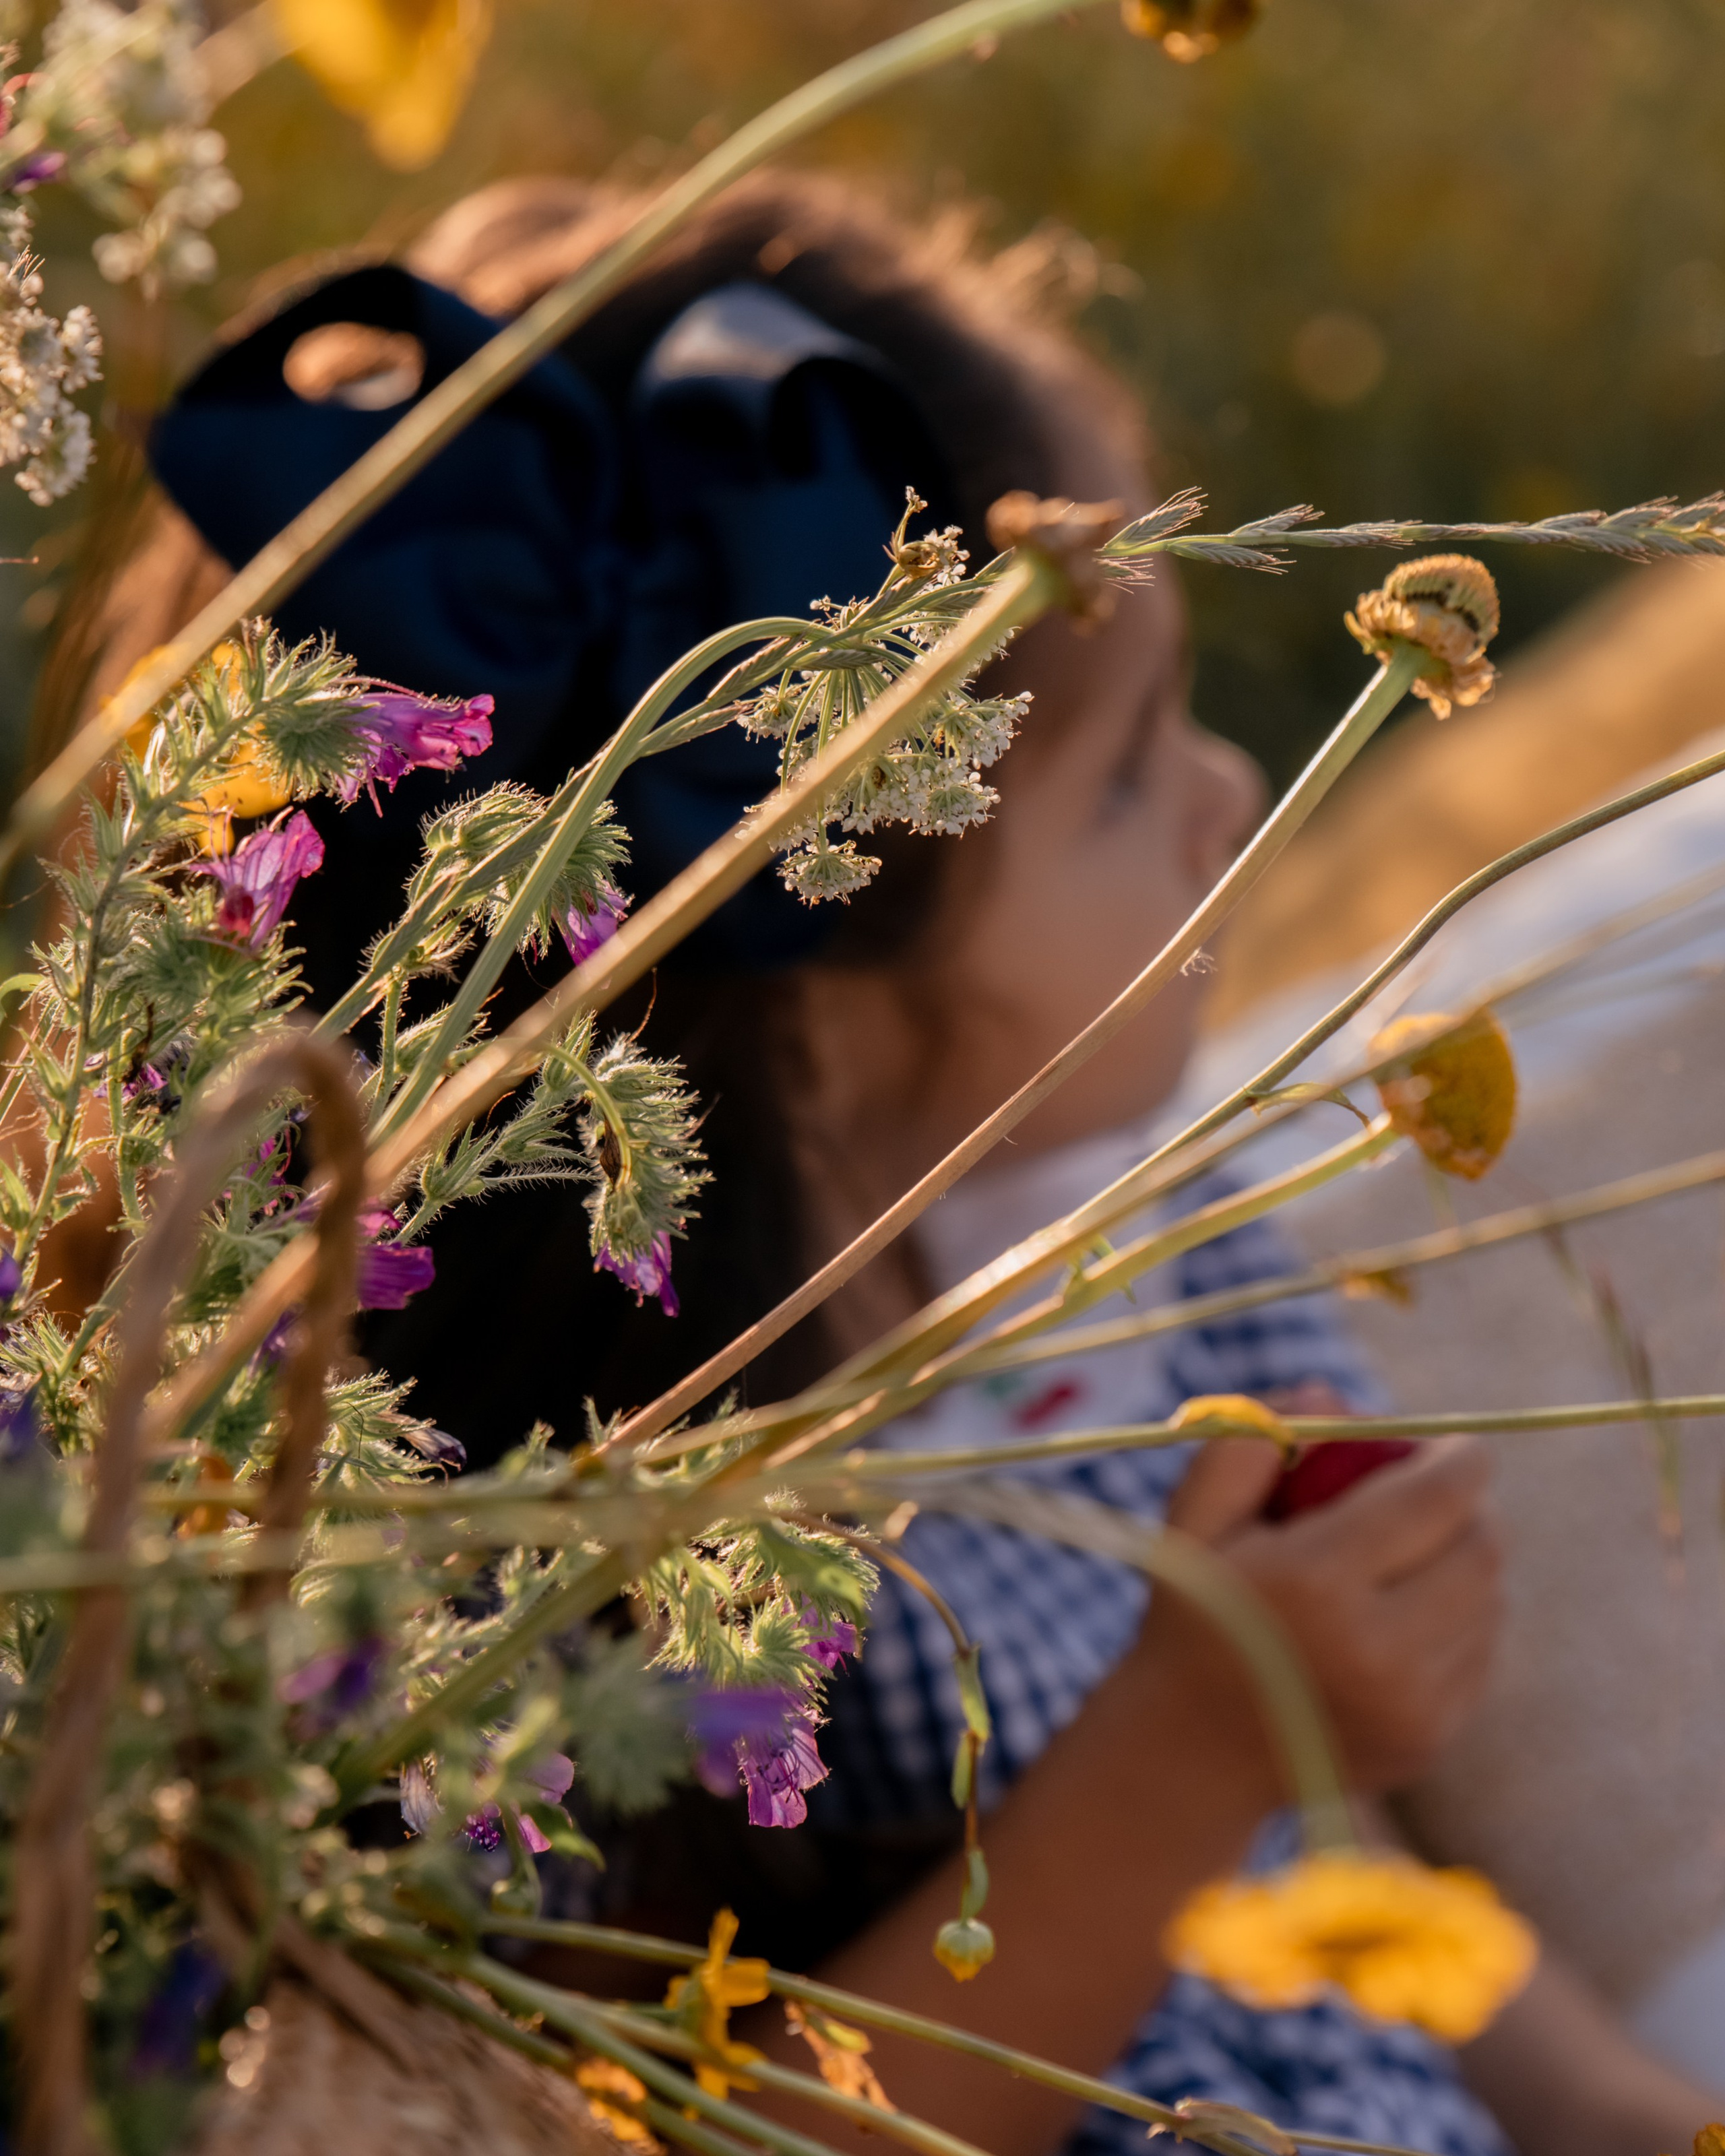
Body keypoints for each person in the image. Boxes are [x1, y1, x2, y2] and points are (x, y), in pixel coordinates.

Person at [102, 170, 1718, 2156]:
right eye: (1126, 773)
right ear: (803, 1026)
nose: (1230, 802)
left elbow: (1347, 1848)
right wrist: (1184, 1750)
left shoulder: (1138, 1265)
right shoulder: (584, 1603)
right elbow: (671, 2128)